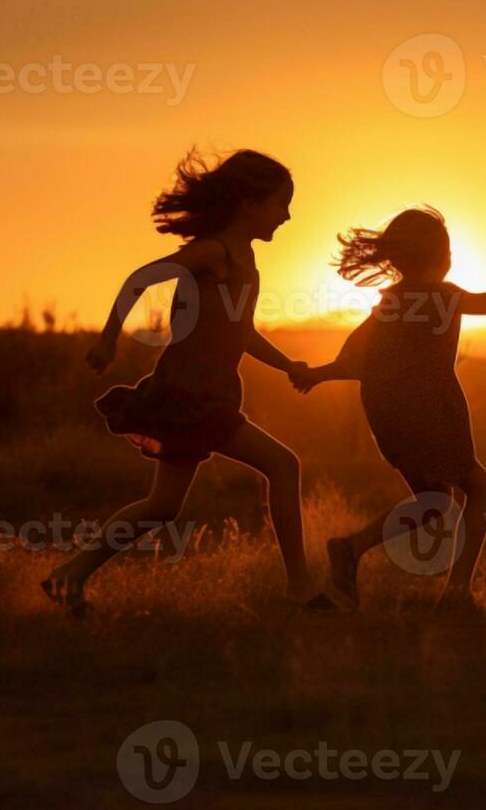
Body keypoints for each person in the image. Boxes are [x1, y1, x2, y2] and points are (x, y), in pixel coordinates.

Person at [41, 149, 327, 615]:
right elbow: (141, 278)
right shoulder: (214, 251)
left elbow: (242, 332)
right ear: (250, 203)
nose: (288, 215)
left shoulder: (244, 257)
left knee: (162, 505)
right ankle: (299, 587)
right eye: (281, 203)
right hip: (191, 395)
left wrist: (288, 364)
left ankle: (68, 575)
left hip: (202, 394)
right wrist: (108, 341)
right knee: (284, 465)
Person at [293, 207, 486, 610]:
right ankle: (457, 592)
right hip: (430, 409)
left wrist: (317, 375)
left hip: (386, 413)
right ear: (441, 256)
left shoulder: (391, 302)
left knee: (435, 504)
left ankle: (351, 549)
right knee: (480, 489)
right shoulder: (444, 295)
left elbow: (355, 361)